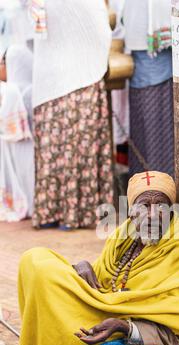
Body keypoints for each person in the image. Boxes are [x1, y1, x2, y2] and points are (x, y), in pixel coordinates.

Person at [18, 171, 179, 345]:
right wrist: (81, 267)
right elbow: (102, 284)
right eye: (143, 206)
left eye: (160, 206)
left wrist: (124, 326)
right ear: (131, 213)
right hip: (103, 308)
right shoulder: (123, 236)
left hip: (131, 332)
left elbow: (178, 328)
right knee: (35, 259)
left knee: (56, 298)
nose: (152, 215)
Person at [30, 0, 113, 230]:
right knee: (76, 148)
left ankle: (51, 211)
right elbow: (101, 31)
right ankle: (78, 212)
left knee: (53, 149)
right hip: (81, 79)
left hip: (51, 81)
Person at [122, 0, 174, 177]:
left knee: (156, 128)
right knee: (153, 129)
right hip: (149, 48)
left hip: (163, 47)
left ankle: (154, 188)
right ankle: (155, 189)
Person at [0, 45, 34, 222]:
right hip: (29, 144)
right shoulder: (33, 89)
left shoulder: (11, 90)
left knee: (23, 175)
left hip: (18, 144)